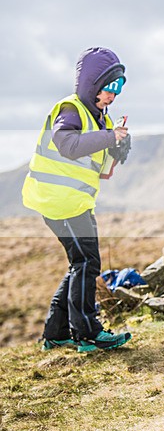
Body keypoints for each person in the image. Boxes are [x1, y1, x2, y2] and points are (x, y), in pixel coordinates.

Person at [22, 47, 133, 353]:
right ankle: (88, 333)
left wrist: (117, 152)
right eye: (108, 88)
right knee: (87, 261)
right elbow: (68, 145)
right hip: (58, 202)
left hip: (74, 202)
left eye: (118, 89)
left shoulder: (98, 118)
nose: (112, 96)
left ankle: (56, 333)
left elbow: (101, 172)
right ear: (90, 85)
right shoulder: (70, 109)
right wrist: (111, 138)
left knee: (80, 263)